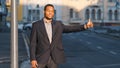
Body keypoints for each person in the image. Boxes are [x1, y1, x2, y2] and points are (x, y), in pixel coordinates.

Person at [30, 4, 93, 68]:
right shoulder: (36, 25)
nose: (50, 13)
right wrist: (33, 59)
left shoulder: (58, 24)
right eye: (48, 11)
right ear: (44, 11)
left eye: (52, 11)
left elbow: (70, 28)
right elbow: (33, 43)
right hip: (41, 59)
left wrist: (85, 26)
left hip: (53, 59)